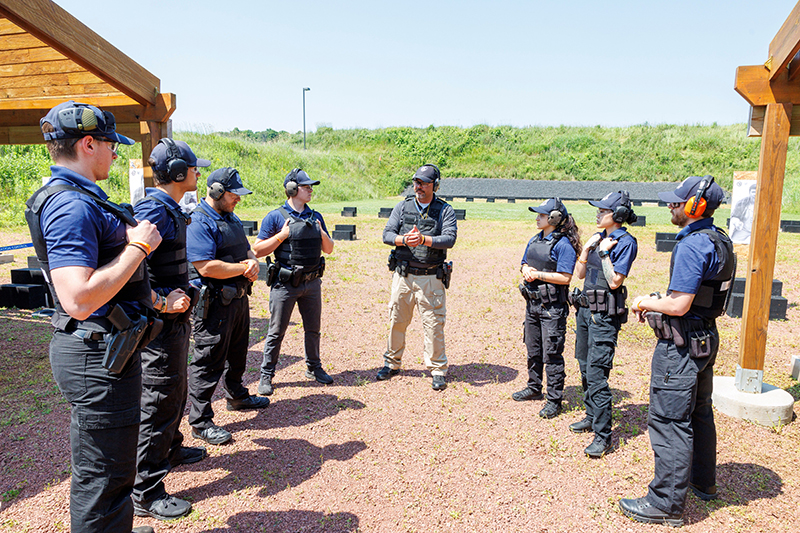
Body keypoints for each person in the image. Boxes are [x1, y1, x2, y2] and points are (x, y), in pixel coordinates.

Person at [25, 100, 160, 533]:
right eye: (110, 144)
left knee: (113, 471)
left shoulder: (79, 198)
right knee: (102, 479)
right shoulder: (72, 206)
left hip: (104, 349)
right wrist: (139, 247)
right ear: (88, 144)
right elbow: (78, 298)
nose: (116, 152)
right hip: (96, 353)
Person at [619, 175, 734, 527]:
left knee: (669, 421)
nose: (670, 205)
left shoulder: (692, 245)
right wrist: (661, 301)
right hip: (705, 338)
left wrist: (644, 300)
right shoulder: (720, 240)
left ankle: (665, 503)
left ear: (696, 206)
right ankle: (703, 481)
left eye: (677, 201)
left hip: (681, 346)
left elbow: (681, 304)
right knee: (699, 413)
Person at [131, 139, 211, 521]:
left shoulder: (169, 208)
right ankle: (145, 492)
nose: (199, 174)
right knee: (159, 402)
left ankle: (172, 448)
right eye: (195, 168)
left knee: (174, 393)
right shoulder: (155, 211)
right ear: (180, 173)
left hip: (173, 323)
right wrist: (162, 301)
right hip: (160, 326)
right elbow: (131, 267)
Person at [186, 167, 269, 446]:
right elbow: (206, 267)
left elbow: (247, 248)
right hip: (214, 304)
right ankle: (200, 421)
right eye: (234, 195)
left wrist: (252, 263)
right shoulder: (199, 221)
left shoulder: (230, 217)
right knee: (208, 362)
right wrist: (243, 268)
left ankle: (236, 395)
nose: (238, 200)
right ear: (217, 192)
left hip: (237, 299)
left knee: (237, 353)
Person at [254, 169, 335, 396]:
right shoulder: (275, 216)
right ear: (291, 189)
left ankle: (314, 368)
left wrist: (321, 233)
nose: (310, 190)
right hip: (285, 285)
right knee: (276, 331)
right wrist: (282, 235)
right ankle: (266, 375)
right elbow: (258, 250)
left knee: (313, 329)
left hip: (312, 283)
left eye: (311, 186)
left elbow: (328, 249)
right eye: (306, 186)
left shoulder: (315, 216)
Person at [571, 191, 638, 458]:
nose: (598, 214)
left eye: (603, 210)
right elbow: (579, 274)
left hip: (604, 318)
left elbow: (614, 282)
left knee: (597, 373)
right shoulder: (600, 239)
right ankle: (591, 415)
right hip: (586, 312)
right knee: (584, 366)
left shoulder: (625, 242)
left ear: (618, 215)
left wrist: (604, 254)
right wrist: (587, 249)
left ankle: (603, 436)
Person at [378, 164, 457, 391]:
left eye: (423, 183)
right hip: (403, 275)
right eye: (416, 182)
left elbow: (449, 239)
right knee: (397, 320)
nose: (418, 187)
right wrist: (404, 240)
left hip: (430, 277)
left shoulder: (445, 210)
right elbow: (387, 234)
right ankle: (392, 363)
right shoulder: (402, 207)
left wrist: (424, 240)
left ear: (435, 186)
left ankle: (438, 369)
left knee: (433, 324)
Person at [513, 198, 580, 419]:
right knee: (533, 349)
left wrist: (538, 274)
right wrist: (525, 269)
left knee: (551, 354)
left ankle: (554, 400)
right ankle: (534, 387)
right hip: (532, 304)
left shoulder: (563, 245)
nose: (537, 217)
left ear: (554, 218)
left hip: (552, 308)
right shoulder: (535, 239)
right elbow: (524, 261)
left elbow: (565, 277)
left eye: (541, 215)